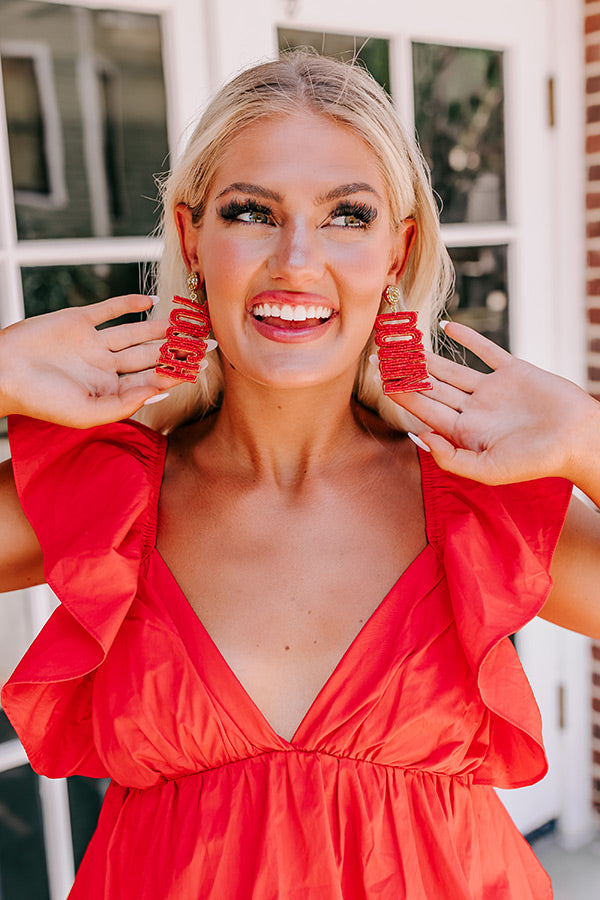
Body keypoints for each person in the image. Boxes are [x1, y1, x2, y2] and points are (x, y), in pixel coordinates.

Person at [0, 50, 599, 900]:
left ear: (399, 251)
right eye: (252, 211)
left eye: (348, 216)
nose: (296, 259)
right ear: (189, 239)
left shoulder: (472, 508)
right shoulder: (109, 498)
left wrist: (588, 439)